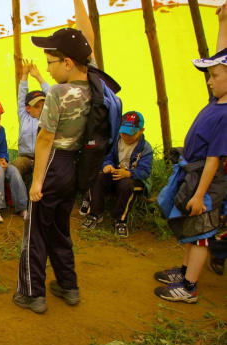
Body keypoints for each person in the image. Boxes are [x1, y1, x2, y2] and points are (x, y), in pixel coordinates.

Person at [14, 0, 94, 314]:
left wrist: (36, 183)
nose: (47, 68)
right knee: (60, 227)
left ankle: (32, 293)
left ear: (69, 63)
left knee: (35, 231)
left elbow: (45, 138)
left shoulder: (59, 94)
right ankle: (68, 285)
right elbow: (89, 40)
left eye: (51, 62)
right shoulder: (97, 86)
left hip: (53, 165)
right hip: (76, 167)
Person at [154, 1, 227, 303]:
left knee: (201, 233)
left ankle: (189, 287)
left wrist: (200, 195)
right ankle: (183, 271)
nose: (210, 81)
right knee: (191, 227)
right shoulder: (217, 102)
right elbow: (221, 59)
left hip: (207, 181)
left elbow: (214, 159)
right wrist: (223, 23)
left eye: (215, 77)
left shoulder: (225, 115)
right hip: (194, 175)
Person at [81, 111, 153, 238]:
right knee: (98, 178)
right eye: (123, 132)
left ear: (141, 130)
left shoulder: (145, 148)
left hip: (131, 179)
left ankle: (120, 220)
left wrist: (128, 173)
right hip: (115, 174)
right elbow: (108, 158)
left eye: (130, 134)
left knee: (126, 186)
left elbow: (145, 171)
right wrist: (107, 166)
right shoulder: (118, 141)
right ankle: (94, 213)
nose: (125, 137)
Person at [11, 59, 50, 178]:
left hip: (45, 158)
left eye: (43, 106)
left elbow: (53, 96)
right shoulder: (24, 116)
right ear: (28, 108)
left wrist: (38, 77)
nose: (41, 109)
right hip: (26, 158)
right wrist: (24, 75)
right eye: (37, 107)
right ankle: (19, 196)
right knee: (13, 168)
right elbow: (21, 96)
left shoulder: (48, 118)